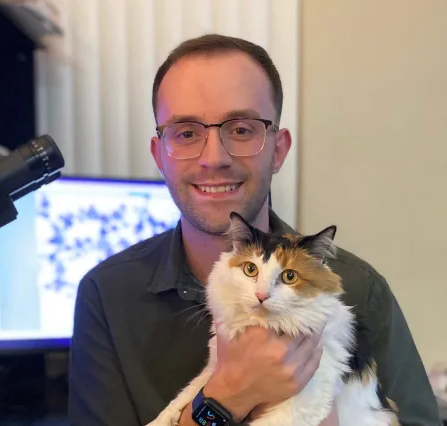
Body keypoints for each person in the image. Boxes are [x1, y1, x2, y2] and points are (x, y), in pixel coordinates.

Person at [68, 34, 441, 426]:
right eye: (187, 133)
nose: (214, 158)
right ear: (160, 155)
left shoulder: (360, 289)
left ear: (278, 149)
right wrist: (227, 398)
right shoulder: (106, 295)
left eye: (242, 129)